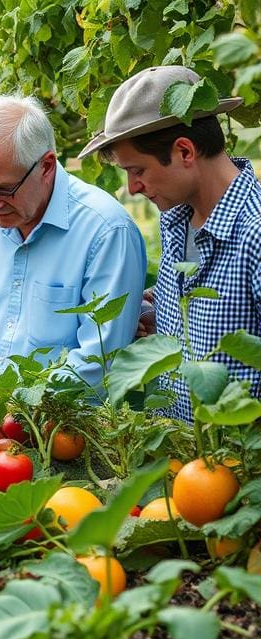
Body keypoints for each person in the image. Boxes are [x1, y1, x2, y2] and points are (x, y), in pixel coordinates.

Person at [79, 65, 261, 422]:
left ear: (185, 151)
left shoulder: (254, 233)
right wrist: (158, 314)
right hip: (187, 461)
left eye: (137, 170)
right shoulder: (177, 221)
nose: (132, 188)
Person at [0, 95, 147, 391]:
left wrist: (15, 409)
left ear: (46, 166)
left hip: (64, 429)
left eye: (4, 189)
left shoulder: (106, 232)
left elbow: (99, 360)